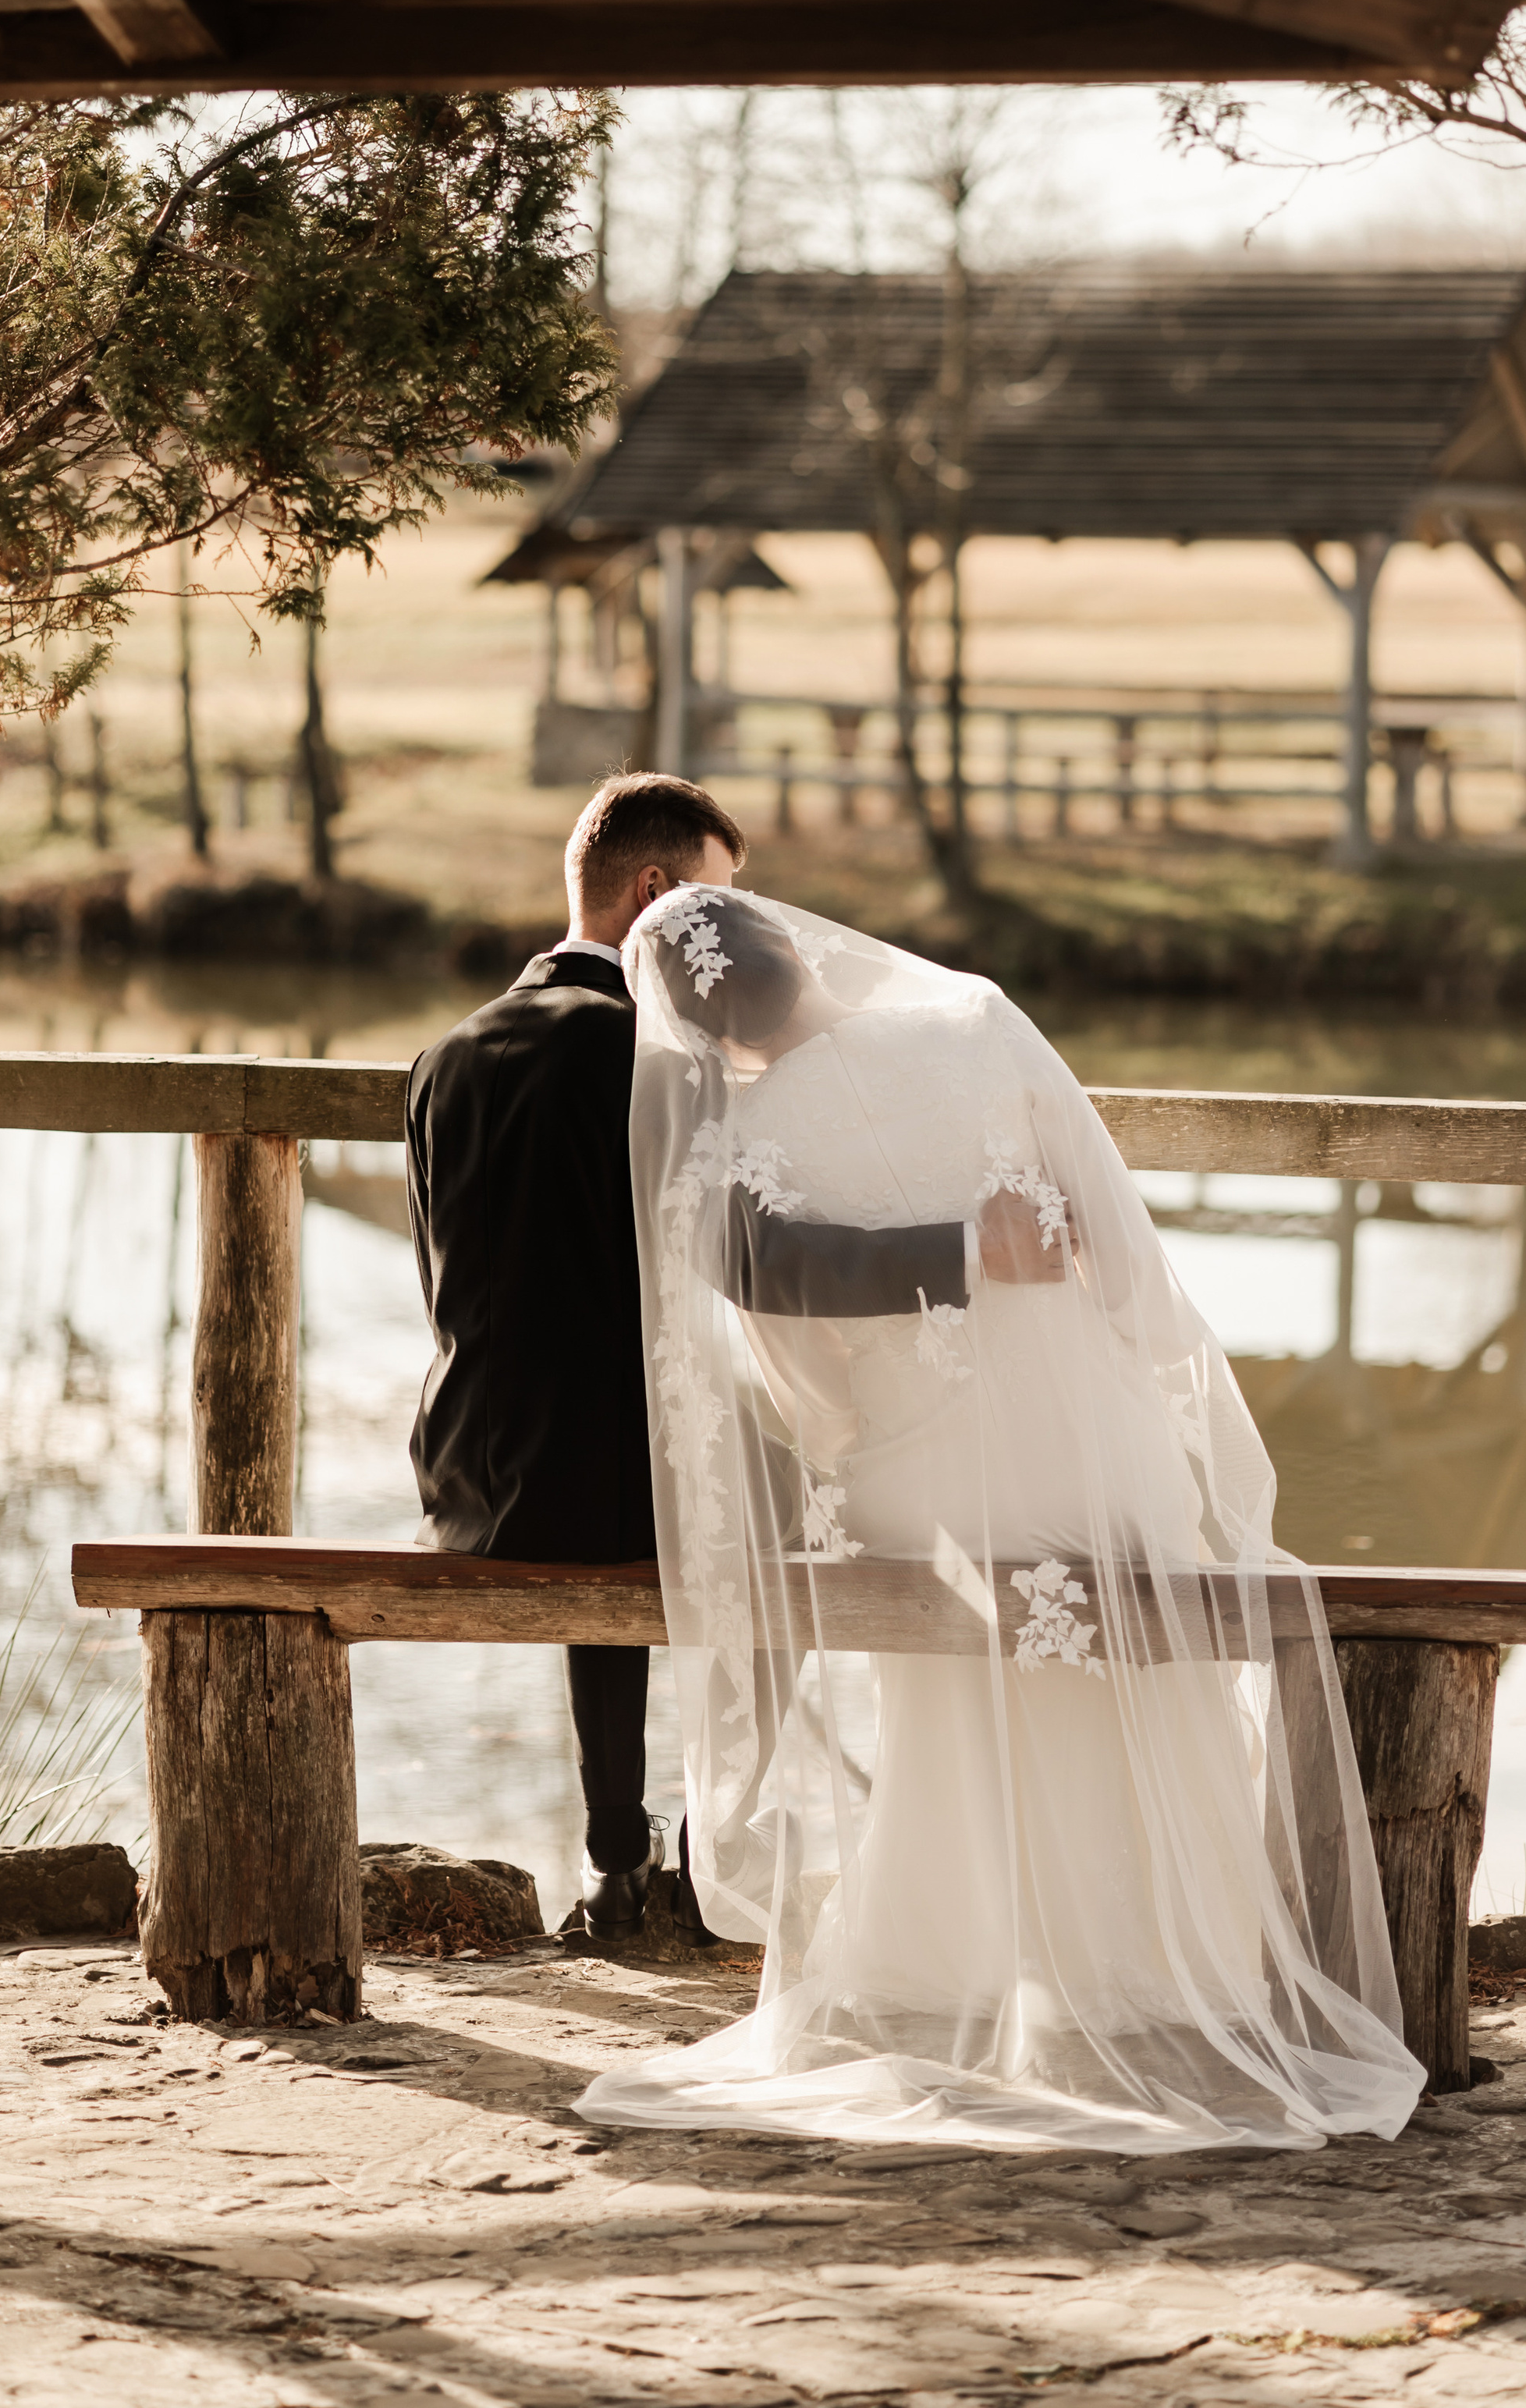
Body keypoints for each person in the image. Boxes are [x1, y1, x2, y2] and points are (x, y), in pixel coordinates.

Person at [578, 888, 1425, 2153]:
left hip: (919, 1491)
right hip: (1096, 1449)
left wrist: (861, 1433)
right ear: (797, 948)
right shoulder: (974, 1019)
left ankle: (956, 1962)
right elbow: (1130, 1258)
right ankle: (1157, 1959)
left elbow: (792, 1353)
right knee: (1124, 1612)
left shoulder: (744, 1133)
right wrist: (1126, 1375)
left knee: (944, 1645)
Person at [404, 773, 1061, 1942]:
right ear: (656, 897)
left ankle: (618, 1856)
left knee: (654, 1462)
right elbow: (763, 1265)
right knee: (831, 1506)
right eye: (721, 901)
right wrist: (966, 1251)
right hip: (608, 1493)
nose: (746, 935)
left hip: (465, 1482)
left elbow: (449, 1288)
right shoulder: (651, 1065)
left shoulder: (444, 1056)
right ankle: (720, 1845)